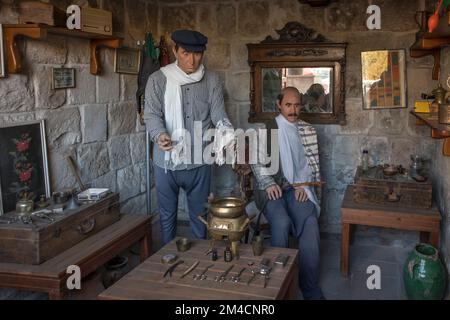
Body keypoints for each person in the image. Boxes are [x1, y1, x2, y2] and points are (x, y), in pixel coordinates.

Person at [144, 29, 233, 245]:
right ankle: (167, 256)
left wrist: (226, 130)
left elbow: (218, 114)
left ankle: (200, 261)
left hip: (199, 161)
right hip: (166, 163)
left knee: (200, 217)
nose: (192, 60)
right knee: (167, 218)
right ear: (175, 51)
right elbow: (151, 114)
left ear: (203, 53)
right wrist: (160, 134)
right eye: (185, 53)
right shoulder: (157, 79)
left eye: (197, 54)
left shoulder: (211, 80)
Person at [251, 87, 324, 300]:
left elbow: (310, 165)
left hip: (297, 188)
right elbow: (256, 161)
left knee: (309, 220)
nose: (293, 110)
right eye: (288, 105)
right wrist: (267, 182)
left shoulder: (308, 131)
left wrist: (303, 186)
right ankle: (279, 285)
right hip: (271, 189)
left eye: (297, 105)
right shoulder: (267, 130)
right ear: (279, 105)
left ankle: (309, 287)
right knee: (281, 222)